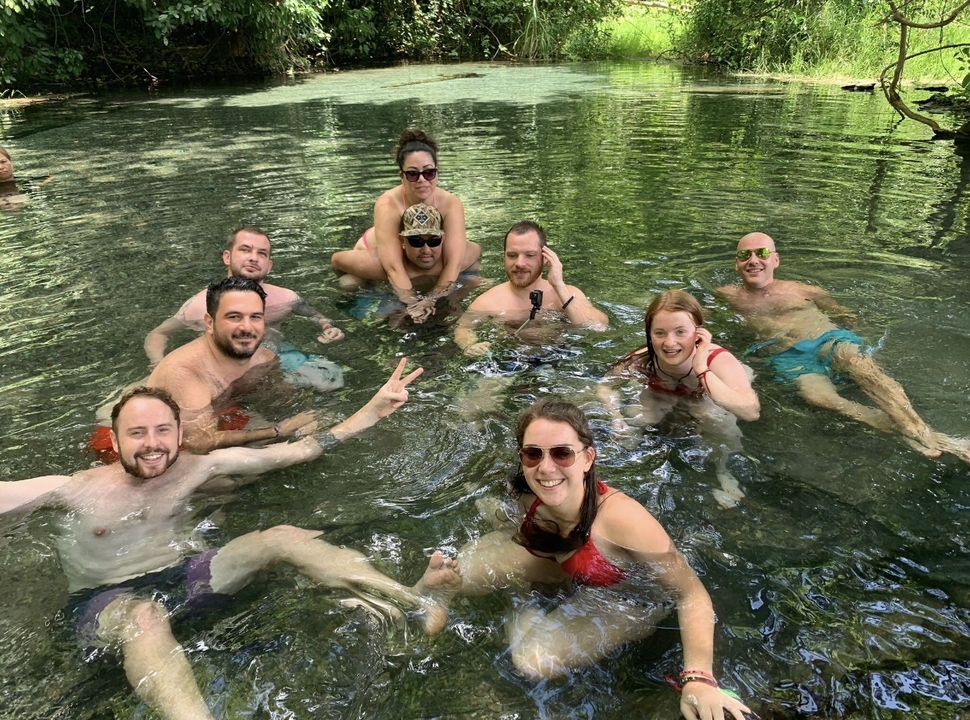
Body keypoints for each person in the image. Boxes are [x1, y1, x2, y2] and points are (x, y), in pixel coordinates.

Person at [0, 371, 462, 720]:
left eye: (163, 430)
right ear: (115, 441)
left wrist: (372, 411)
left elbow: (297, 451)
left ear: (179, 434)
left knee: (282, 537)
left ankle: (414, 600)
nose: (152, 444)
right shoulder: (75, 489)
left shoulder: (197, 468)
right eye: (137, 434)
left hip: (184, 579)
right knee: (144, 615)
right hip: (106, 604)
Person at [439, 399, 751, 720]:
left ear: (587, 458)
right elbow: (507, 518)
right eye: (533, 453)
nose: (546, 468)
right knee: (462, 576)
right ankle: (526, 585)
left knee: (532, 661)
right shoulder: (527, 492)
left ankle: (520, 595)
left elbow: (690, 593)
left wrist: (698, 678)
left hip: (625, 597)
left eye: (562, 453)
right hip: (564, 565)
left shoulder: (623, 521)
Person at [718, 231, 970, 463]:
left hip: (826, 340)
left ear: (775, 260)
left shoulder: (802, 289)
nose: (753, 260)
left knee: (859, 365)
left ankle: (920, 432)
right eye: (744, 255)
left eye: (761, 253)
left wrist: (854, 331)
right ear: (736, 263)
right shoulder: (726, 295)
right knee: (818, 397)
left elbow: (844, 314)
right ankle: (935, 437)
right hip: (787, 356)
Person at [598, 290, 760, 508]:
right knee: (636, 419)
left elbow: (750, 412)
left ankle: (724, 471)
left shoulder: (718, 360)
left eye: (680, 332)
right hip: (661, 393)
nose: (669, 343)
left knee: (718, 421)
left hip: (705, 394)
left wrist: (702, 369)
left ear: (699, 333)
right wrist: (616, 417)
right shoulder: (641, 360)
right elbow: (605, 386)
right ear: (649, 334)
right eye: (660, 333)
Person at [145, 226, 344, 387]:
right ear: (227, 257)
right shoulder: (200, 305)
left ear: (269, 265)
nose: (253, 258)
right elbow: (159, 333)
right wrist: (158, 361)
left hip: (278, 356)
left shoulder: (286, 298)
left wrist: (328, 328)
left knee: (331, 379)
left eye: (262, 253)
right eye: (245, 250)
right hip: (224, 365)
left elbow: (315, 315)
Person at [330, 128, 481, 323]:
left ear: (437, 173)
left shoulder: (450, 203)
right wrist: (412, 304)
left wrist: (431, 300)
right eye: (412, 174)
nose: (421, 180)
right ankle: (365, 312)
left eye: (429, 172)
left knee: (472, 267)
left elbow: (454, 262)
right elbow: (393, 268)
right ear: (402, 176)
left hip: (423, 254)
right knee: (350, 282)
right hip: (382, 251)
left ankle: (453, 312)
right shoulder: (388, 203)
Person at [454, 220, 609, 356]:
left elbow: (598, 326)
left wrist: (559, 286)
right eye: (512, 255)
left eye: (529, 255)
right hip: (511, 361)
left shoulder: (567, 293)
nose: (520, 263)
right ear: (504, 257)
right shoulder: (488, 302)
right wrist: (470, 345)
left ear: (545, 257)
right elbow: (462, 328)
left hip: (564, 358)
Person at [0, 146, 53, 211]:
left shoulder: (29, 182)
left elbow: (51, 177)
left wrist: (40, 185)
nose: (0, 167)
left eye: (3, 162)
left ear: (11, 162)